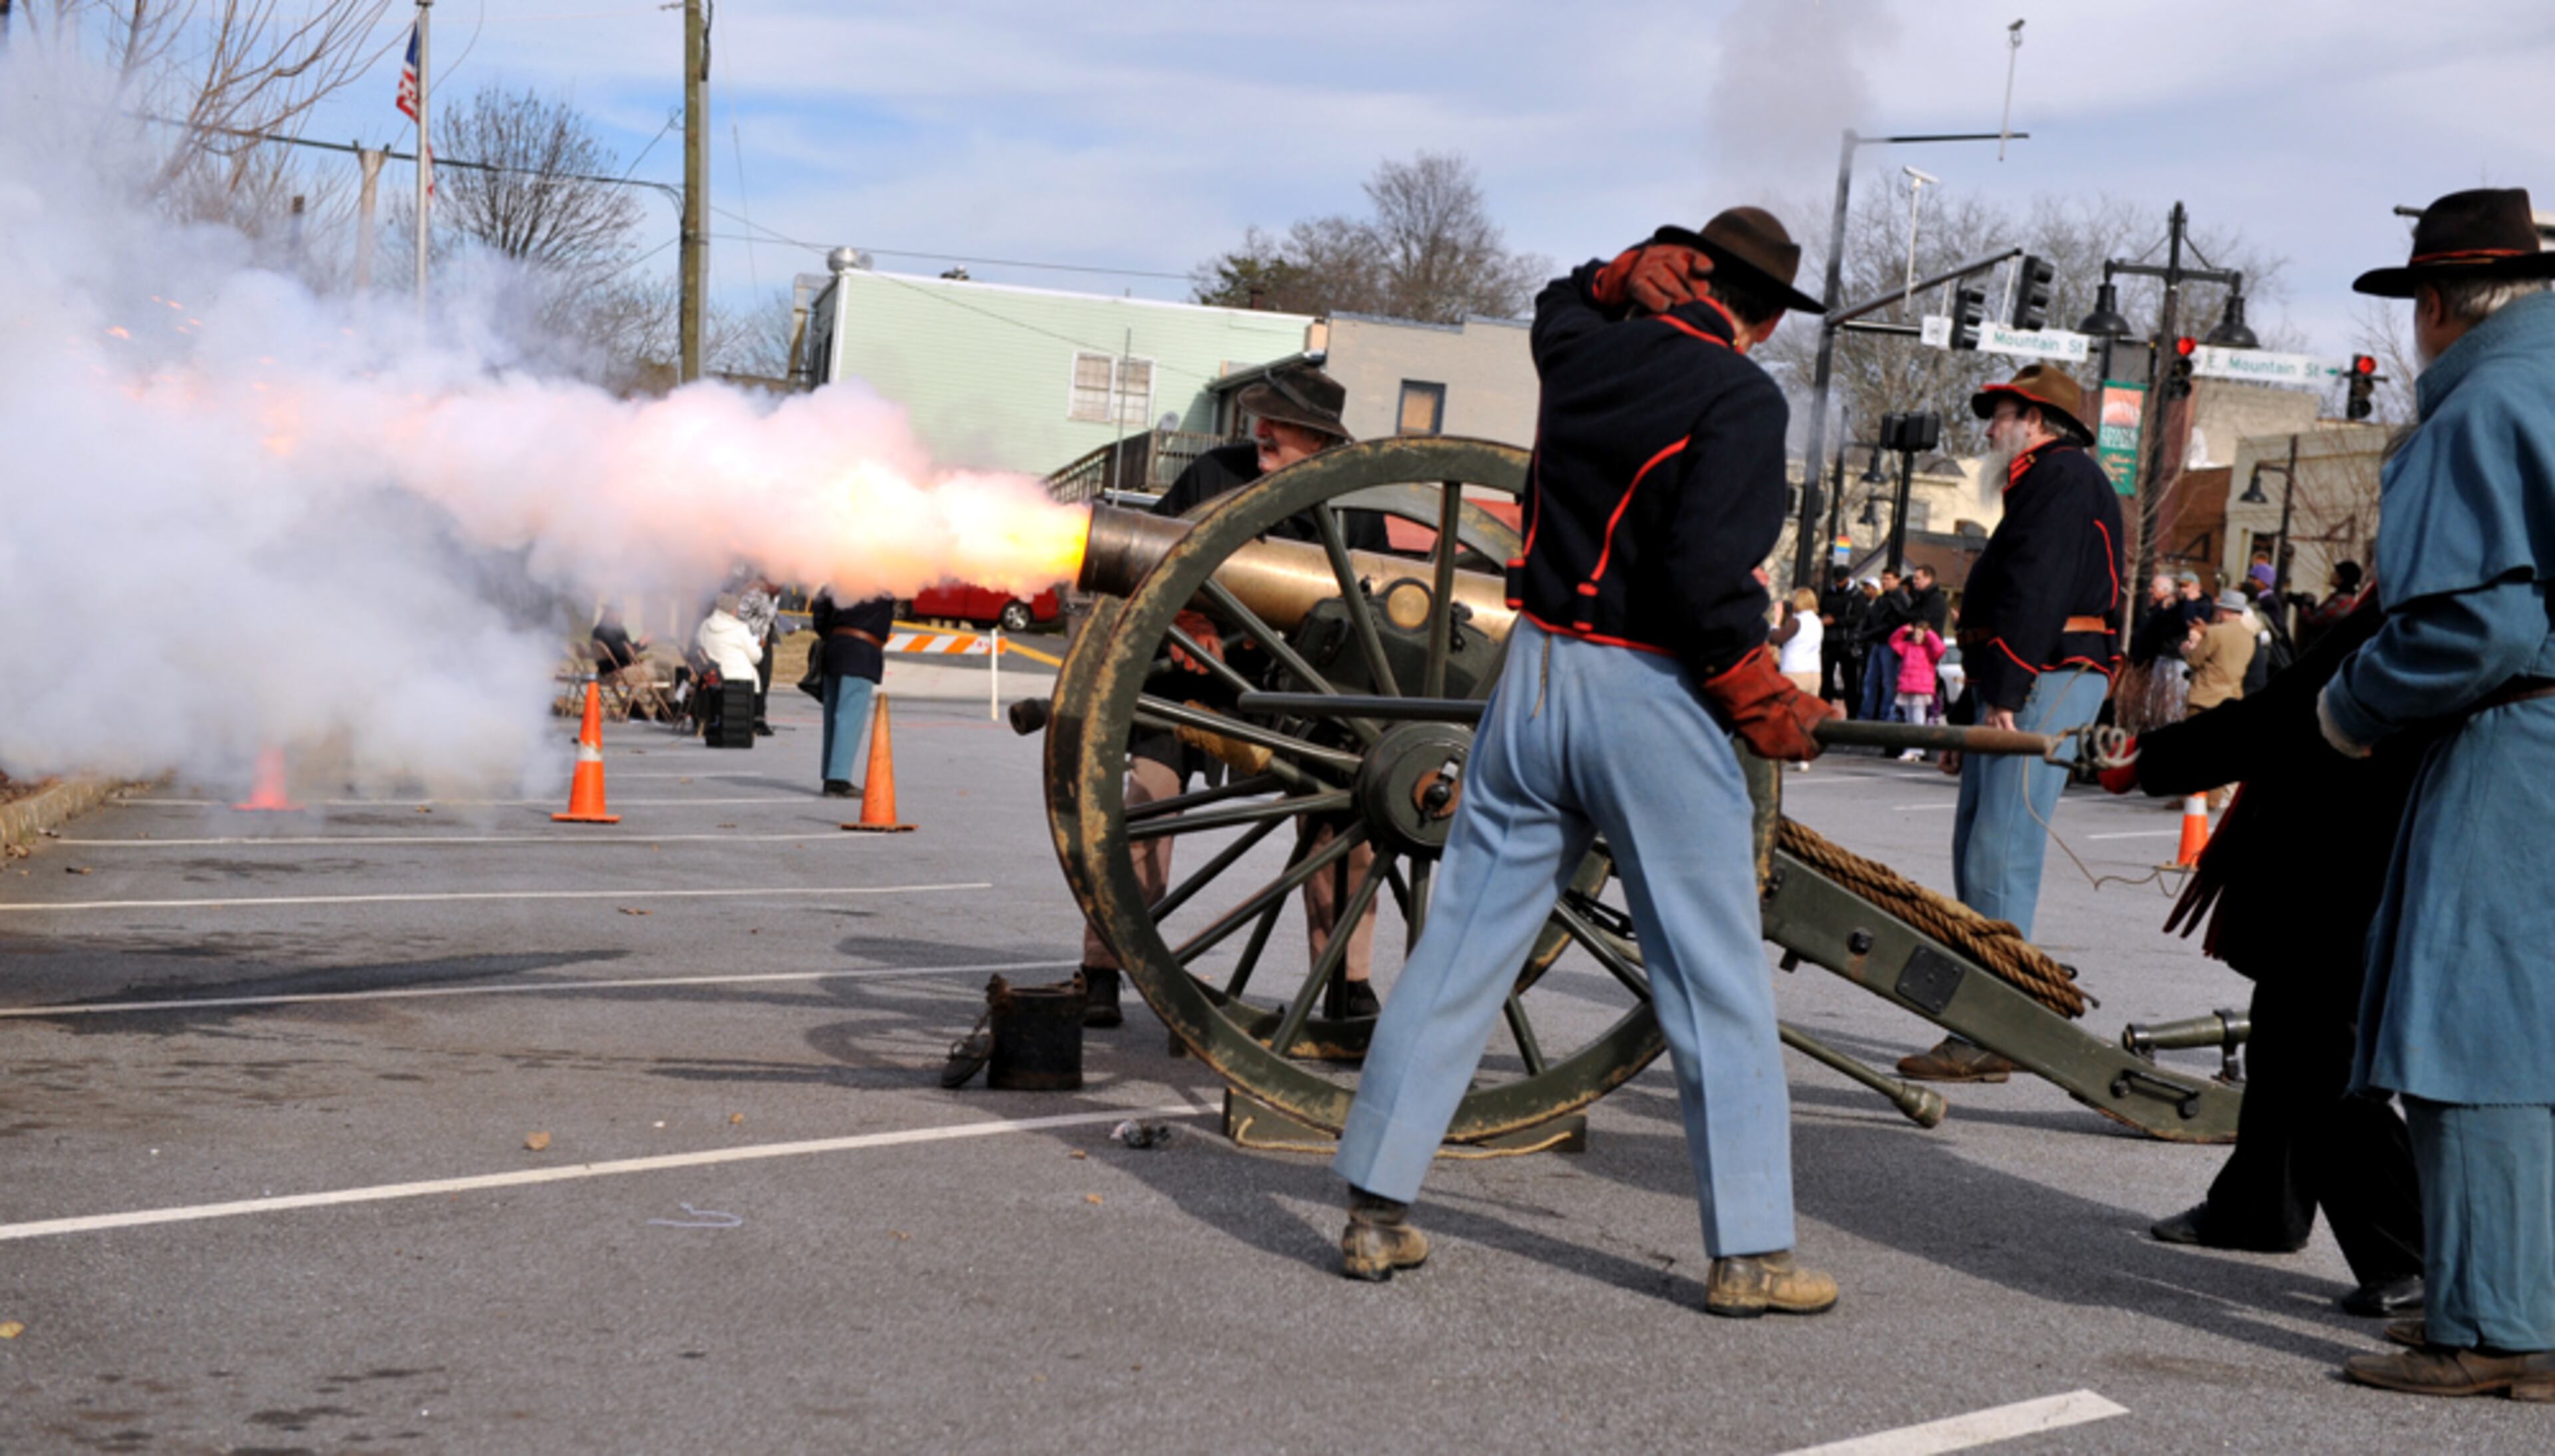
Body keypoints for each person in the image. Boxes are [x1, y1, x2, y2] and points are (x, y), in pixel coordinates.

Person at [1330, 209, 1843, 1316]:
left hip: (1535, 677)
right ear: (1760, 319)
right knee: (1712, 975)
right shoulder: (1742, 397)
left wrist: (1610, 277)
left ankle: (1375, 1208)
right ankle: (1750, 1250)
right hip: (1649, 690)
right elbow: (1710, 573)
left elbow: (1560, 303)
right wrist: (1756, 688)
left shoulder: (1582, 347)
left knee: (1460, 944)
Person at [2316, 188, 2555, 1399]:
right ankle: (2496, 1289)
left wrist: (2349, 703)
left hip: (2523, 732)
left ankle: (2505, 1321)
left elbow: (2476, 622)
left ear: (2433, 306)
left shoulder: (2488, 401)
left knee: (2477, 1025)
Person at [2098, 581, 2425, 1319]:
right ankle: (2260, 1205)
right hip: (2342, 817)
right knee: (2287, 1016)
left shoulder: (2442, 573)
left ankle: (2415, 1248)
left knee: (2320, 1044)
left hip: (2370, 825)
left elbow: (2299, 707)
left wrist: (2155, 760)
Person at [1073, 361, 1390, 1029]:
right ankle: (1102, 967)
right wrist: (1187, 620)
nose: (1262, 432)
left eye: (1282, 425)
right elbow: (1148, 561)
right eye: (1261, 420)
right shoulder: (1214, 475)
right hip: (1190, 681)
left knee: (1345, 836)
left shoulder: (1358, 504)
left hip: (1304, 694)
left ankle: (1347, 982)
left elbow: (1379, 614)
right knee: (1146, 811)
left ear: (1322, 441)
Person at [1898, 364, 2122, 1084]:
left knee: (2000, 852)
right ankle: (1986, 1017)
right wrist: (1980, 707)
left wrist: (2006, 691)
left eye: (2000, 414)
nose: (1990, 427)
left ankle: (1995, 1024)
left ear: (2037, 420)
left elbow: (2037, 591)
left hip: (2047, 675)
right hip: (2033, 675)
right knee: (1981, 847)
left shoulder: (2059, 478)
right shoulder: (2049, 479)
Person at [810, 587, 894, 798]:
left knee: (833, 716)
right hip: (862, 651)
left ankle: (831, 776)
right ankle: (838, 780)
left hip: (835, 645)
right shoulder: (890, 575)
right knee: (850, 717)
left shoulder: (842, 570)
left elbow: (820, 609)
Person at [693, 593, 764, 741]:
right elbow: (756, 657)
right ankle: (750, 725)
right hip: (739, 677)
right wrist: (759, 646)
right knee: (754, 676)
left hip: (713, 676)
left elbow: (700, 647)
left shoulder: (705, 625)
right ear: (732, 610)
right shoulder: (740, 628)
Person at [1856, 569, 1911, 722]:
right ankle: (1869, 715)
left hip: (1889, 644)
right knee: (1871, 680)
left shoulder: (1900, 599)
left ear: (1897, 580)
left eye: (1888, 579)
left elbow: (1892, 624)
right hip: (1880, 643)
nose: (1884, 582)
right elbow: (1873, 618)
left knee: (1887, 683)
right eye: (1883, 579)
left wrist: (1866, 634)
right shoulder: (1884, 599)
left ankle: (1885, 716)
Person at [1890, 616, 1946, 758]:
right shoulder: (1907, 647)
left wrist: (1930, 634)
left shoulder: (1929, 650)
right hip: (1907, 687)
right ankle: (1911, 748)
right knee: (1909, 719)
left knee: (1918, 718)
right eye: (1915, 634)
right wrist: (1903, 630)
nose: (1916, 637)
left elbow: (1940, 649)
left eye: (1920, 634)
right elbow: (1893, 642)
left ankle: (1917, 748)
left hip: (1921, 689)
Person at [1818, 572, 1867, 709]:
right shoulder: (1829, 593)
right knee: (1826, 678)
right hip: (1828, 641)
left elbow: (1858, 617)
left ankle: (1852, 712)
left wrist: (1835, 620)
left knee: (1849, 680)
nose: (1837, 584)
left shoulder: (1857, 595)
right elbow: (1821, 610)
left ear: (1847, 579)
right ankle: (1824, 707)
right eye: (1836, 581)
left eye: (1840, 581)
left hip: (1847, 642)